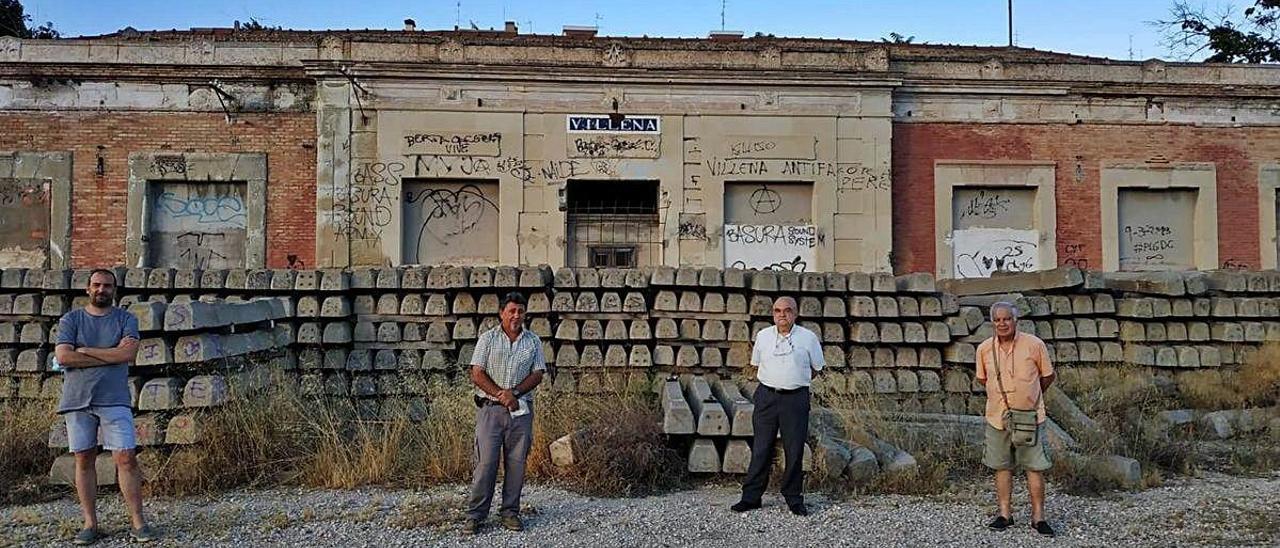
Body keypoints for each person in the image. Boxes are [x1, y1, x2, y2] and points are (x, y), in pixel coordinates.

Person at [54, 269, 158, 545]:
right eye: (97, 285)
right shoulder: (71, 320)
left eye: (107, 286)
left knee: (126, 457)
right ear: (87, 289)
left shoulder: (126, 319)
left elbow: (128, 354)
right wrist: (110, 356)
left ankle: (138, 522)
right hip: (77, 399)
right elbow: (63, 357)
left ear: (115, 290)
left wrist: (86, 351)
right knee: (84, 459)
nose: (102, 290)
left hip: (114, 399)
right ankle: (90, 523)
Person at [731, 296, 825, 516]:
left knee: (794, 450)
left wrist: (794, 380)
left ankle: (793, 498)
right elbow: (756, 364)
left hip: (795, 400)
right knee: (761, 448)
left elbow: (817, 367)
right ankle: (751, 497)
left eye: (787, 310)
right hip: (767, 398)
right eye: (777, 311)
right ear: (773, 314)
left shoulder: (808, 338)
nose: (782, 314)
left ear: (795, 313)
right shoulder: (763, 336)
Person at [463, 291, 546, 535]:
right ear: (501, 313)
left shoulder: (533, 341)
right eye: (511, 311)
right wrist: (502, 394)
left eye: (520, 311)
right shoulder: (488, 339)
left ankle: (510, 512)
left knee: (516, 464)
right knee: (486, 464)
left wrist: (516, 393)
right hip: (491, 410)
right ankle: (476, 515)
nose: (516, 315)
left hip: (520, 411)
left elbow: (538, 373)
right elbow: (476, 373)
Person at [976, 301, 1056, 537]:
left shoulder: (1034, 345)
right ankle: (1004, 514)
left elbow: (1047, 376)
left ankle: (1038, 518)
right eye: (998, 320)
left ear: (1015, 320)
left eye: (1007, 319)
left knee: (1034, 467)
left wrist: (1029, 397)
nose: (1002, 323)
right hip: (997, 417)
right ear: (993, 323)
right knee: (1002, 467)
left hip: (1031, 417)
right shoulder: (984, 349)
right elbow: (983, 380)